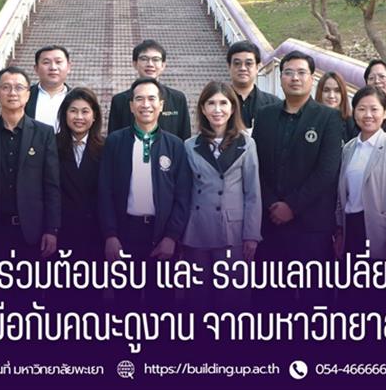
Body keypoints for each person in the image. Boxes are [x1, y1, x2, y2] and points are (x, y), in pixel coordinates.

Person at [98, 78, 192, 307]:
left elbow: (183, 196)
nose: (145, 104)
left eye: (152, 99)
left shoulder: (176, 145)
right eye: (139, 99)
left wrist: (172, 237)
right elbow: (105, 192)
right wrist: (110, 235)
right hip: (125, 233)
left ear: (161, 105)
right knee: (124, 303)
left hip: (160, 235)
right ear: (131, 106)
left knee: (160, 304)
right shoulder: (115, 141)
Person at [252, 51, 344, 265]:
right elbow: (256, 166)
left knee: (313, 294)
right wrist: (273, 204)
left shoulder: (328, 117)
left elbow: (327, 171)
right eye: (288, 72)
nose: (295, 78)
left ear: (312, 78)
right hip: (270, 221)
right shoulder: (265, 115)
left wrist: (292, 206)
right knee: (271, 291)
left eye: (302, 72)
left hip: (312, 226)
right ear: (280, 77)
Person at [0, 67, 60, 262]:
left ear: (28, 94)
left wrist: (52, 229)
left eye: (18, 87)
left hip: (32, 232)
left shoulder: (44, 133)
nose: (12, 93)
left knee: (29, 291)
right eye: (6, 87)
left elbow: (51, 186)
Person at [182, 81, 261, 309]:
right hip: (196, 231)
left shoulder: (247, 143)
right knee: (197, 299)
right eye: (211, 103)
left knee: (231, 300)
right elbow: (185, 192)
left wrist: (252, 235)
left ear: (233, 107)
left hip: (232, 232)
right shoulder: (189, 145)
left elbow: (252, 193)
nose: (218, 110)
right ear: (203, 109)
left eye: (223, 103)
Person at [334, 86, 386, 260]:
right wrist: (339, 228)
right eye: (361, 109)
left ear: (385, 113)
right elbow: (342, 194)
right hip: (352, 227)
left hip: (383, 230)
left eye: (374, 109)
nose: (368, 115)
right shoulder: (348, 148)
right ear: (354, 112)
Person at [55, 87, 105, 263]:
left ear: (94, 116)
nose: (79, 117)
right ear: (65, 114)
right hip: (60, 234)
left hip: (94, 235)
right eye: (73, 111)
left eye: (85, 112)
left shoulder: (106, 148)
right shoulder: (51, 145)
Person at [107, 39, 192, 140]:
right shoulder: (119, 100)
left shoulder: (178, 98)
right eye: (144, 59)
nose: (150, 64)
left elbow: (185, 138)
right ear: (134, 63)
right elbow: (113, 141)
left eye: (156, 59)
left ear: (163, 65)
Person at [227, 40, 281, 128]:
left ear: (257, 67)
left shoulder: (275, 104)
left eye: (248, 63)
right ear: (229, 67)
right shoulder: (216, 102)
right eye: (237, 63)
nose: (243, 68)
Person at [25, 45, 72, 130]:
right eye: (46, 62)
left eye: (58, 62)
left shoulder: (77, 98)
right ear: (36, 68)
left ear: (68, 67)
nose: (53, 67)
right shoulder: (24, 96)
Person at [316, 71, 357, 141]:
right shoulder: (310, 120)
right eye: (326, 90)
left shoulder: (351, 124)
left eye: (337, 91)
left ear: (343, 94)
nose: (331, 96)